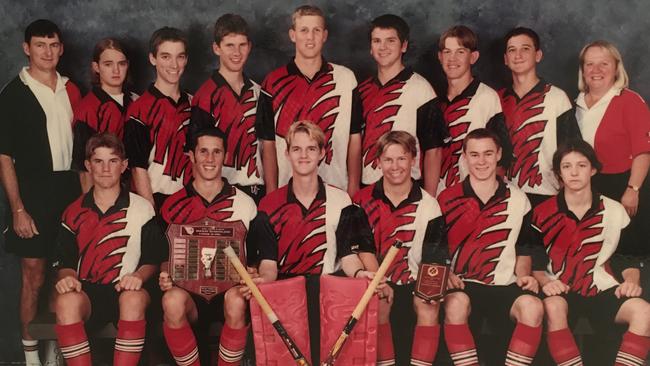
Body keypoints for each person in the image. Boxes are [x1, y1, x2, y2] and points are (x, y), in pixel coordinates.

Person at [249, 120, 374, 364]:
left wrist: (360, 274)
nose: (304, 155)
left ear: (322, 154)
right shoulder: (268, 205)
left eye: (311, 149)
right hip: (285, 292)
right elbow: (268, 263)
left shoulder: (341, 200)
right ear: (286, 154)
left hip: (327, 291)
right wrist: (263, 280)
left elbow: (348, 257)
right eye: (297, 149)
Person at [0, 19, 81, 365]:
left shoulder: (71, 89)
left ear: (61, 49)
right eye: (40, 45)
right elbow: (4, 156)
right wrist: (18, 208)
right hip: (32, 193)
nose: (47, 52)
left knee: (63, 274)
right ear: (26, 49)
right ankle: (31, 358)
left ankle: (54, 354)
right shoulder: (13, 93)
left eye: (53, 45)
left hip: (70, 189)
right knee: (34, 276)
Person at [532, 140, 650, 366]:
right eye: (566, 167)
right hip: (560, 288)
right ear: (558, 173)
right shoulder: (540, 213)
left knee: (644, 311)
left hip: (601, 288)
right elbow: (534, 264)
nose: (574, 172)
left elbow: (628, 258)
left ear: (593, 169)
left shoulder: (615, 210)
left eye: (582, 165)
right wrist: (545, 281)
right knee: (553, 306)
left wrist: (631, 281)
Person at [52, 133, 164, 366]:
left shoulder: (142, 208)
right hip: (88, 293)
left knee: (132, 299)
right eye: (98, 161)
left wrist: (138, 276)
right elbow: (65, 263)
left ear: (123, 166)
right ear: (87, 166)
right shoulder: (72, 211)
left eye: (112, 161)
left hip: (126, 290)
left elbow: (154, 258)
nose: (105, 169)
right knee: (65, 302)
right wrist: (68, 279)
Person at [437, 128, 543, 365]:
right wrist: (447, 273)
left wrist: (524, 276)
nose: (481, 161)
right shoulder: (446, 198)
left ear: (498, 154)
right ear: (464, 157)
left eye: (488, 153)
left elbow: (523, 248)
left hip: (503, 284)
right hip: (463, 284)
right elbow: (436, 249)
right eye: (474, 155)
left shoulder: (519, 199)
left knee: (533, 307)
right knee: (455, 305)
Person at [158, 127, 258, 366]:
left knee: (236, 300)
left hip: (229, 293)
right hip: (189, 294)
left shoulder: (245, 203)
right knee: (171, 301)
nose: (210, 159)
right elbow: (163, 255)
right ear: (191, 155)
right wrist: (165, 274)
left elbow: (254, 256)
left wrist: (253, 272)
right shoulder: (171, 204)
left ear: (225, 156)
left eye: (216, 152)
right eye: (203, 151)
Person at [354, 131, 446, 365]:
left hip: (413, 282)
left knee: (428, 305)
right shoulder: (361, 200)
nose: (395, 166)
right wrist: (379, 281)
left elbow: (434, 257)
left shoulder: (429, 204)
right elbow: (360, 249)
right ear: (378, 162)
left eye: (402, 158)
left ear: (414, 160)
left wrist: (429, 291)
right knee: (380, 299)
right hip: (376, 280)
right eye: (388, 159)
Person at [256, 5, 361, 196]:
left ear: (325, 35)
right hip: (286, 192)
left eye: (316, 30)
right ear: (292, 34)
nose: (310, 37)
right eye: (304, 30)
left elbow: (354, 138)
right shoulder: (272, 82)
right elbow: (268, 144)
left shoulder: (346, 79)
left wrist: (353, 188)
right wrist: (272, 193)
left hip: (336, 189)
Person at [575, 40, 650, 261]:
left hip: (624, 186)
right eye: (590, 64)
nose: (596, 71)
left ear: (616, 68)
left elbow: (643, 152)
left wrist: (633, 189)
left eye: (604, 64)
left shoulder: (630, 101)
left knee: (626, 255)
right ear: (583, 70)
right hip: (590, 188)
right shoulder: (575, 103)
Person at [354, 14, 444, 196]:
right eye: (377, 41)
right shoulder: (361, 91)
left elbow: (433, 151)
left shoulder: (421, 89)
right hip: (368, 191)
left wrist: (430, 198)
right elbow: (354, 146)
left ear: (404, 46)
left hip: (409, 191)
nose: (383, 47)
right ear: (370, 48)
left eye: (390, 41)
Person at [498, 27, 581, 207]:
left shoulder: (557, 98)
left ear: (538, 55)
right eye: (512, 50)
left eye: (525, 49)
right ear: (505, 59)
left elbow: (571, 150)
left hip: (547, 194)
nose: (518, 55)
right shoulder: (497, 99)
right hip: (505, 196)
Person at [190, 14, 265, 203]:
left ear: (249, 47)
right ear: (217, 48)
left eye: (242, 45)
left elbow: (268, 147)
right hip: (221, 193)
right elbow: (195, 152)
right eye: (229, 45)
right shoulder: (205, 96)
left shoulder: (259, 92)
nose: (237, 52)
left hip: (257, 190)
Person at [436, 25, 512, 195]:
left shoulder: (487, 97)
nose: (452, 58)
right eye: (447, 52)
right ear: (440, 57)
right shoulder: (433, 99)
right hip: (440, 194)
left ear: (473, 57)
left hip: (475, 194)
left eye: (460, 52)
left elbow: (503, 153)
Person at [124, 27, 191, 211]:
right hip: (155, 201)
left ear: (186, 59)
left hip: (190, 201)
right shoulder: (139, 109)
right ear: (152, 58)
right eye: (166, 56)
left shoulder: (194, 104)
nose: (174, 65)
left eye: (180, 56)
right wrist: (151, 212)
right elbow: (138, 168)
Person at [73, 38, 138, 193]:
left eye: (121, 64)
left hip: (136, 189)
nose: (116, 70)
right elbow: (84, 168)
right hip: (105, 191)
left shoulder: (136, 101)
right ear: (96, 67)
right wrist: (91, 206)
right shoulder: (88, 108)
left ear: (127, 65)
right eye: (108, 64)